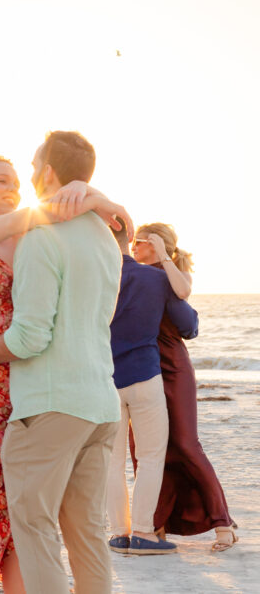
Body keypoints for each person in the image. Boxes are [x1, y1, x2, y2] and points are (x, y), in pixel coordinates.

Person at [0, 153, 126, 593]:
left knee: (22, 521)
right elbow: (49, 213)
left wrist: (94, 197)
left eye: (16, 181)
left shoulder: (29, 235)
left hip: (29, 386)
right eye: (0, 180)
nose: (12, 187)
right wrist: (93, 197)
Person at [131, 223, 237, 551]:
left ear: (161, 245)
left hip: (172, 369)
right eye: (133, 241)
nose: (134, 246)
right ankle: (156, 524)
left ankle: (224, 524)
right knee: (145, 451)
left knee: (186, 445)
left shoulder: (166, 279)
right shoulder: (132, 277)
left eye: (142, 241)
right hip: (138, 371)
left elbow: (190, 325)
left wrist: (165, 258)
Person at [106, 220, 198, 556]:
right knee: (150, 458)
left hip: (105, 380)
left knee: (111, 461)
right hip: (145, 376)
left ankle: (118, 534)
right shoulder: (156, 278)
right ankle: (143, 532)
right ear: (129, 241)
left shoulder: (96, 276)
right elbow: (188, 324)